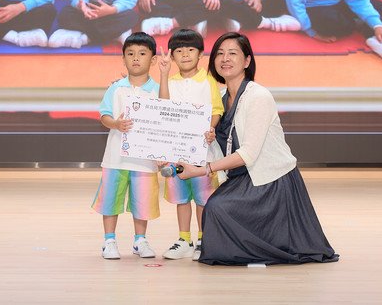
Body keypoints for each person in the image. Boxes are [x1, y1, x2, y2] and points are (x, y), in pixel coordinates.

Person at [176, 32, 339, 266]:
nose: (225, 58)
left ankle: (266, 245)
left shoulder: (258, 96)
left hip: (271, 179)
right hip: (242, 177)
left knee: (217, 208)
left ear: (247, 61)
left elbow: (248, 154)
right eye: (220, 53)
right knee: (215, 210)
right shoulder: (220, 99)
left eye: (233, 53)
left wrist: (203, 170)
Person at [156, 28, 224, 261]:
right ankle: (184, 239)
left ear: (201, 54)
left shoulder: (208, 80)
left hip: (202, 152)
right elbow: (163, 107)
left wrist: (211, 129)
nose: (185, 54)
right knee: (182, 198)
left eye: (190, 49)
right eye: (179, 50)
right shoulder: (170, 81)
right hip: (176, 152)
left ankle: (203, 240)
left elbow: (216, 109)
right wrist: (164, 74)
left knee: (203, 199)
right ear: (172, 56)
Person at [93, 32, 161, 260]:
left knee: (142, 202)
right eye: (130, 54)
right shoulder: (116, 88)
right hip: (116, 158)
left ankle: (140, 241)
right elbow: (104, 116)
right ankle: (109, 241)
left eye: (142, 53)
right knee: (111, 200)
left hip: (145, 160)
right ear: (123, 59)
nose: (136, 58)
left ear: (153, 59)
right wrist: (116, 124)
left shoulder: (158, 90)